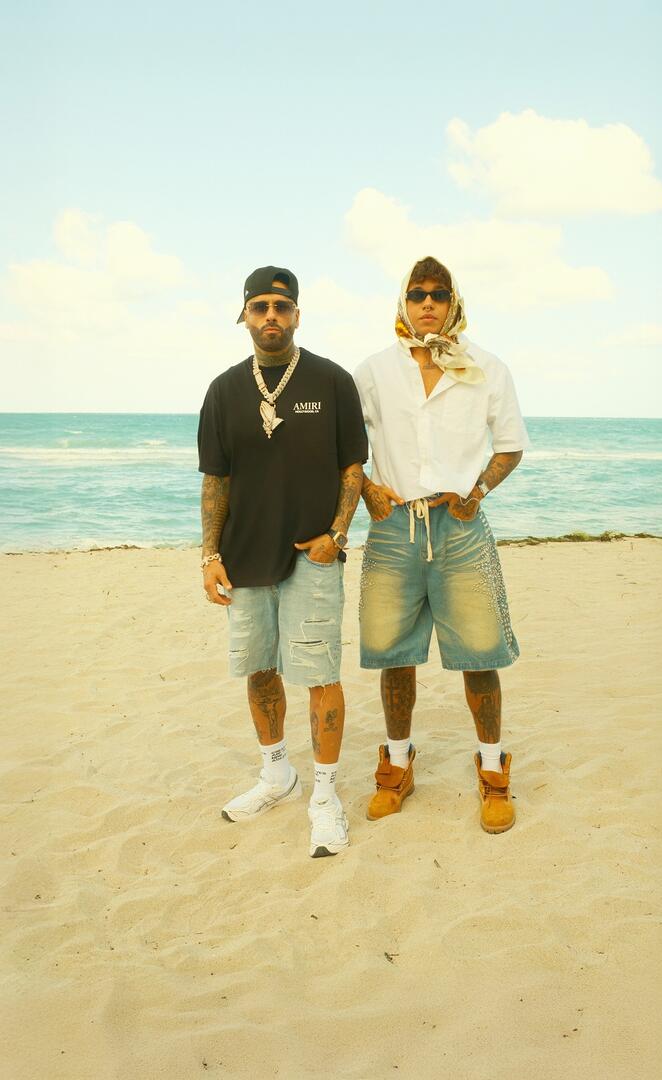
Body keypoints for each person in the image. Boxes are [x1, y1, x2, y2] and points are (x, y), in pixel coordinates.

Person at [354, 256, 529, 833]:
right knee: (393, 653)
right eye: (416, 294)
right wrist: (368, 490)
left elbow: (510, 444)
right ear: (403, 303)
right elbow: (345, 443)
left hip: (460, 526)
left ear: (454, 302)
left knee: (480, 654)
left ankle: (493, 770)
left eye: (438, 294)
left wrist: (478, 491)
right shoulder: (374, 371)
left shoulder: (487, 367)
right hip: (393, 528)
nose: (427, 303)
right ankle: (397, 766)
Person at [198, 265, 367, 857]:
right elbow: (216, 480)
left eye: (282, 306)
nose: (271, 316)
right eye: (260, 306)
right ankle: (277, 775)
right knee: (259, 670)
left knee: (320, 675)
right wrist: (209, 555)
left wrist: (336, 535)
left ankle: (324, 794)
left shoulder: (333, 380)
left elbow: (353, 467)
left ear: (297, 314)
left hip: (312, 557)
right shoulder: (223, 390)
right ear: (244, 315)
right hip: (244, 559)